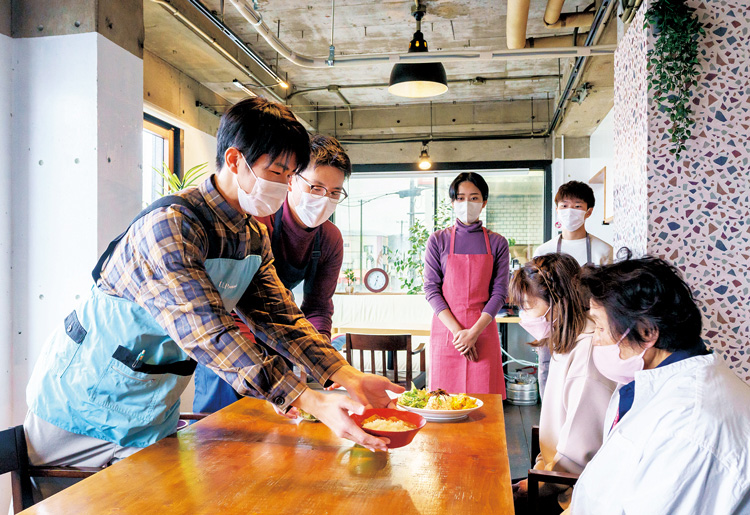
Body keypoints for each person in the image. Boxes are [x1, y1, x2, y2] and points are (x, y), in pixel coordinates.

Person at [24, 98, 404, 487]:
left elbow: (281, 317)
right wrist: (309, 398)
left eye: (289, 174)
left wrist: (346, 375)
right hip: (80, 408)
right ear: (236, 160)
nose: (284, 184)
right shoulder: (170, 226)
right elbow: (211, 331)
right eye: (276, 171)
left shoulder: (252, 234)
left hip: (150, 409)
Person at [566, 256, 750, 514]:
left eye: (599, 327)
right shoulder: (653, 382)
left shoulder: (689, 424)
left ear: (646, 332)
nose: (594, 340)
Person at [192, 134, 351, 414]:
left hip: (279, 339)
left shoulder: (329, 239)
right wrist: (261, 371)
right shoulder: (257, 223)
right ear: (292, 180)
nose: (324, 199)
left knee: (276, 439)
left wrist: (324, 365)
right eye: (316, 187)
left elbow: (315, 307)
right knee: (217, 433)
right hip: (231, 340)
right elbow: (233, 305)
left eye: (335, 192)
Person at [509, 253, 616, 514]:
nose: (524, 316)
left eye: (527, 306)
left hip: (569, 492)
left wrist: (537, 482)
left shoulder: (588, 349)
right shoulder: (567, 340)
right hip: (552, 474)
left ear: (556, 303)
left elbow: (580, 453)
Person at [424, 172, 509, 396]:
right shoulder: (438, 240)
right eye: (460, 198)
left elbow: (500, 292)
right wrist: (459, 334)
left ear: (484, 202)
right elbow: (431, 290)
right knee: (444, 402)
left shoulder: (497, 242)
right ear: (452, 202)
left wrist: (473, 333)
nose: (466, 204)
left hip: (482, 331)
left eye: (473, 198)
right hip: (448, 333)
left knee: (484, 402)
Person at [533, 181, 614, 397]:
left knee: (588, 378)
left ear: (589, 212)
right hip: (555, 325)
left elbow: (609, 294)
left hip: (590, 327)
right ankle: (549, 425)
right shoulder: (544, 250)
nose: (570, 211)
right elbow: (536, 295)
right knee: (549, 373)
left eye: (577, 206)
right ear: (557, 209)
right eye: (564, 205)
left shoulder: (603, 250)